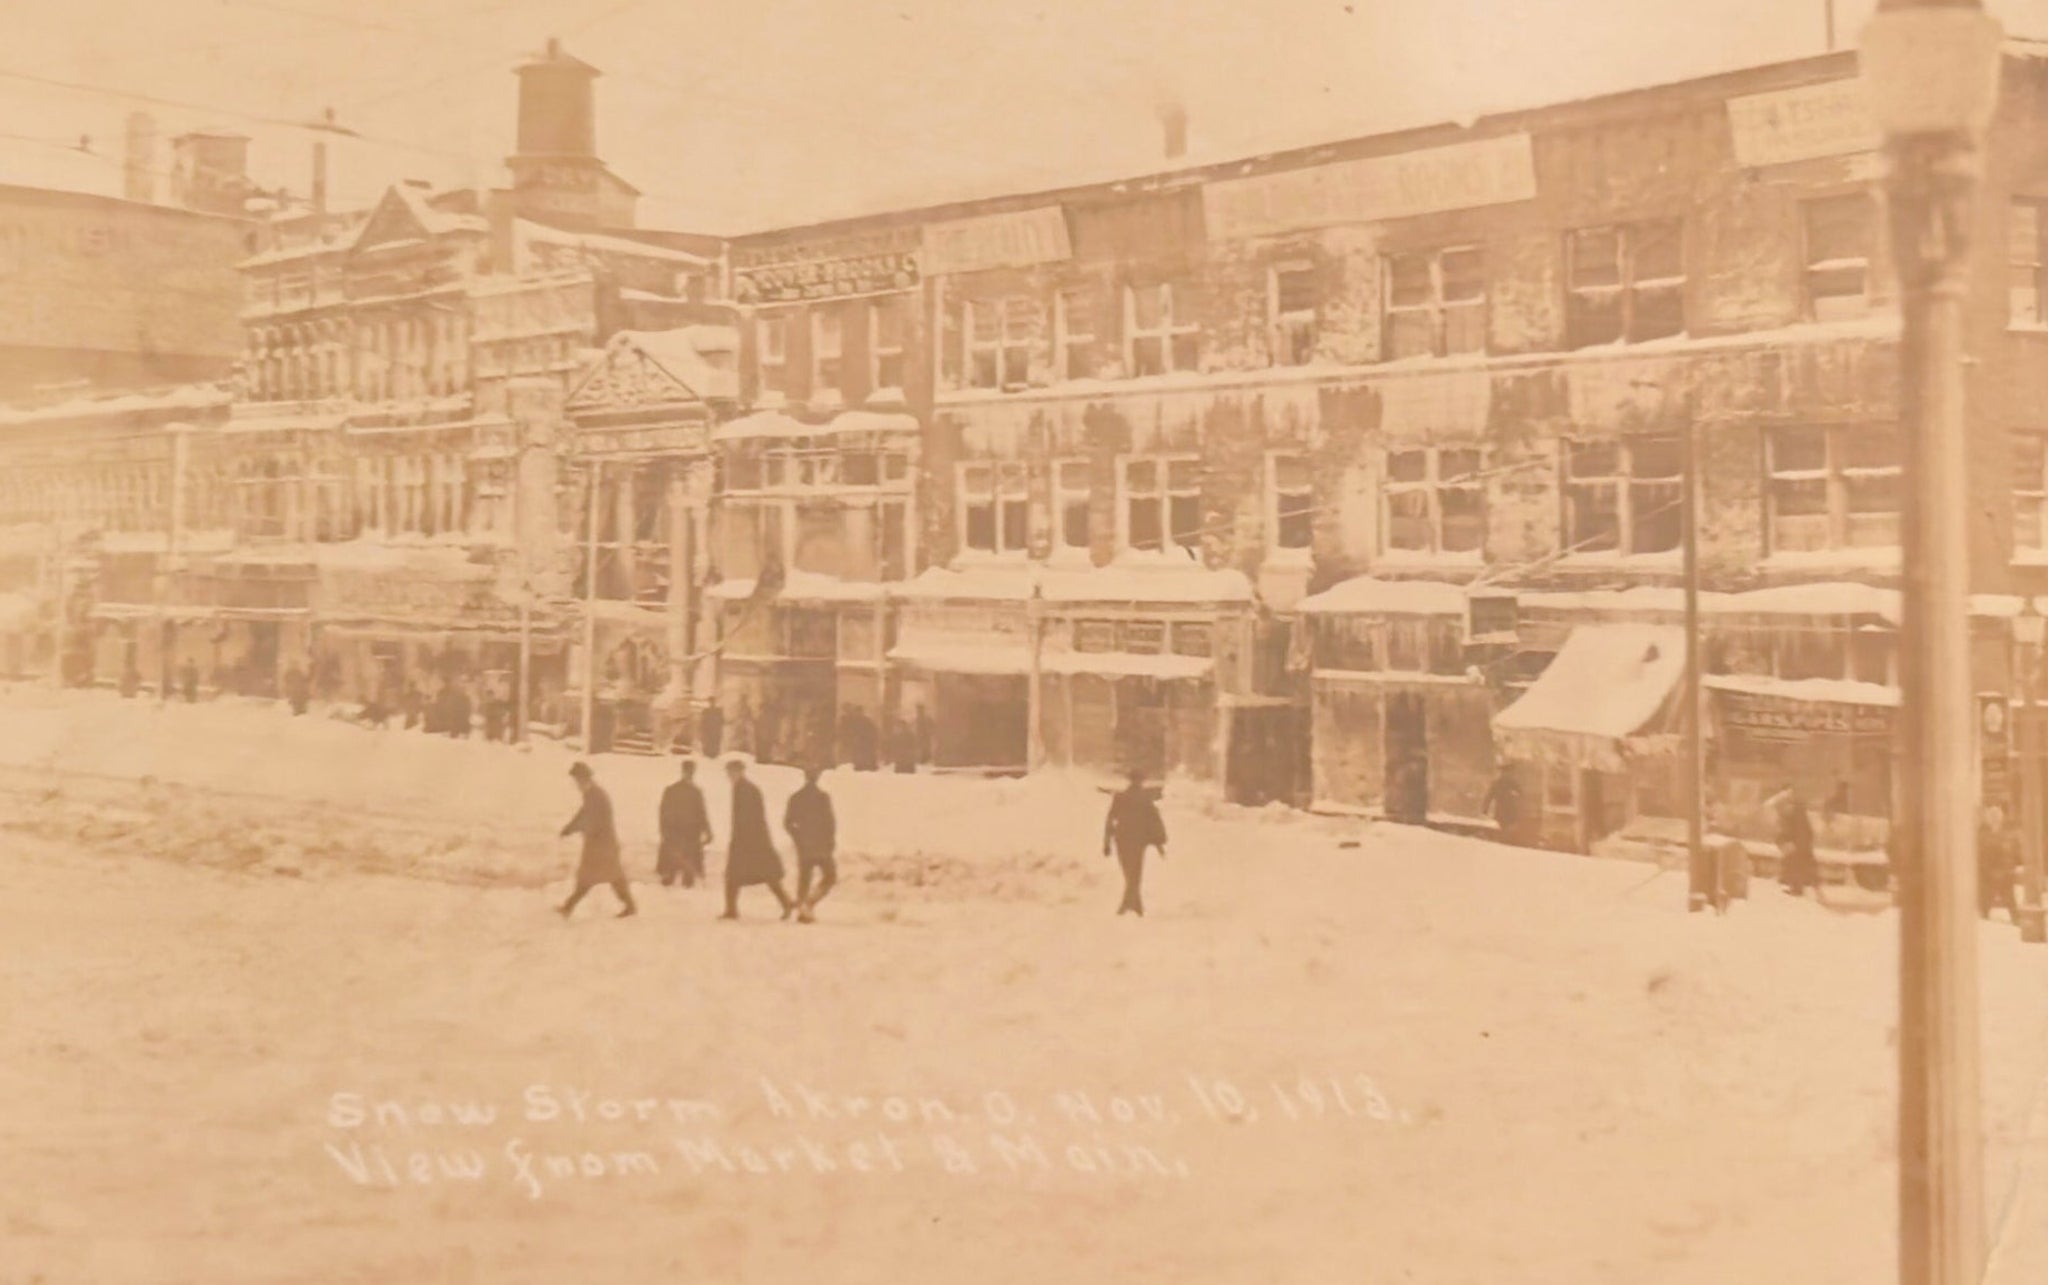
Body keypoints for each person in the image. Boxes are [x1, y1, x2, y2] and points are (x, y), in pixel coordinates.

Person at [557, 762, 636, 919]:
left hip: (602, 845)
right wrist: (570, 828)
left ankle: (569, 906)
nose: (576, 784)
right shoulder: (591, 794)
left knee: (595, 877)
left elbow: (592, 820)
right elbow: (583, 814)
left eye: (577, 780)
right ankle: (630, 906)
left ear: (584, 778)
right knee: (609, 876)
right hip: (599, 844)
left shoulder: (596, 795)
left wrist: (578, 828)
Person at [721, 758, 795, 920]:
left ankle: (732, 910)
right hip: (754, 840)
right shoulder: (744, 788)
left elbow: (748, 818)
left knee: (737, 875)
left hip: (750, 841)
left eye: (731, 772)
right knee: (765, 875)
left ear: (739, 772)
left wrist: (741, 839)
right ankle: (785, 902)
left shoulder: (744, 790)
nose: (729, 776)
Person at [1103, 771, 1168, 917]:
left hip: (1122, 840)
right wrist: (1159, 843)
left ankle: (1129, 905)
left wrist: (1107, 842)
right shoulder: (1145, 799)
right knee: (1134, 873)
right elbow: (1154, 822)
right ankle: (1134, 905)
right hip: (1138, 841)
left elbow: (1110, 820)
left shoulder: (1120, 798)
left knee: (1129, 872)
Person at [784, 766, 838, 923]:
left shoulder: (796, 798)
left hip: (804, 845)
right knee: (830, 876)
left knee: (804, 879)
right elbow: (830, 823)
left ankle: (803, 909)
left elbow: (787, 823)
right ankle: (809, 903)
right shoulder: (823, 798)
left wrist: (797, 837)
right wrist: (830, 841)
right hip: (822, 845)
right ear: (818, 777)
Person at [658, 759, 714, 889]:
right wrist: (664, 829)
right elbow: (664, 812)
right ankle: (670, 878)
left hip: (690, 832)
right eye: (687, 772)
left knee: (688, 860)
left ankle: (686, 881)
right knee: (673, 857)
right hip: (675, 831)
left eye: (691, 772)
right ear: (682, 772)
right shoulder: (672, 790)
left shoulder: (696, 792)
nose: (689, 774)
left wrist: (708, 831)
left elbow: (701, 813)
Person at [1773, 785, 1820, 897]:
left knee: (1798, 864)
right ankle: (1797, 886)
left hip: (1799, 843)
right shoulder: (1793, 812)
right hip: (1799, 842)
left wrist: (1795, 844)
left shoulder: (1796, 812)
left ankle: (1799, 888)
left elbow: (1802, 831)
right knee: (1797, 864)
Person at [1979, 805, 2019, 921]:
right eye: (1992, 816)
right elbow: (1981, 853)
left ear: (2001, 818)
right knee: (1985, 897)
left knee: (2009, 897)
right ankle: (1984, 916)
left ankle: (2015, 918)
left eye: (1997, 816)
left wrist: (2010, 867)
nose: (1994, 819)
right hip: (1988, 871)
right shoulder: (1983, 832)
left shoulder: (2007, 832)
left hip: (2004, 871)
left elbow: (2012, 851)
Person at [1482, 763, 1525, 847]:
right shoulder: (1507, 782)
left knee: (1505, 826)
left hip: (1505, 808)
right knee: (1505, 826)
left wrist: (1485, 808)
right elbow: (1489, 796)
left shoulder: (1503, 782)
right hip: (1506, 808)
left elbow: (1489, 796)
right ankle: (1504, 841)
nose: (1506, 774)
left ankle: (1504, 841)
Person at [841, 704, 879, 773]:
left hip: (866, 741)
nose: (858, 713)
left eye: (860, 712)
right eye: (857, 712)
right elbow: (850, 731)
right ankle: (860, 766)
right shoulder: (853, 721)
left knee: (866, 754)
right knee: (858, 754)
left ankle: (868, 766)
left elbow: (873, 730)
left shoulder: (866, 720)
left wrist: (871, 739)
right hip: (858, 741)